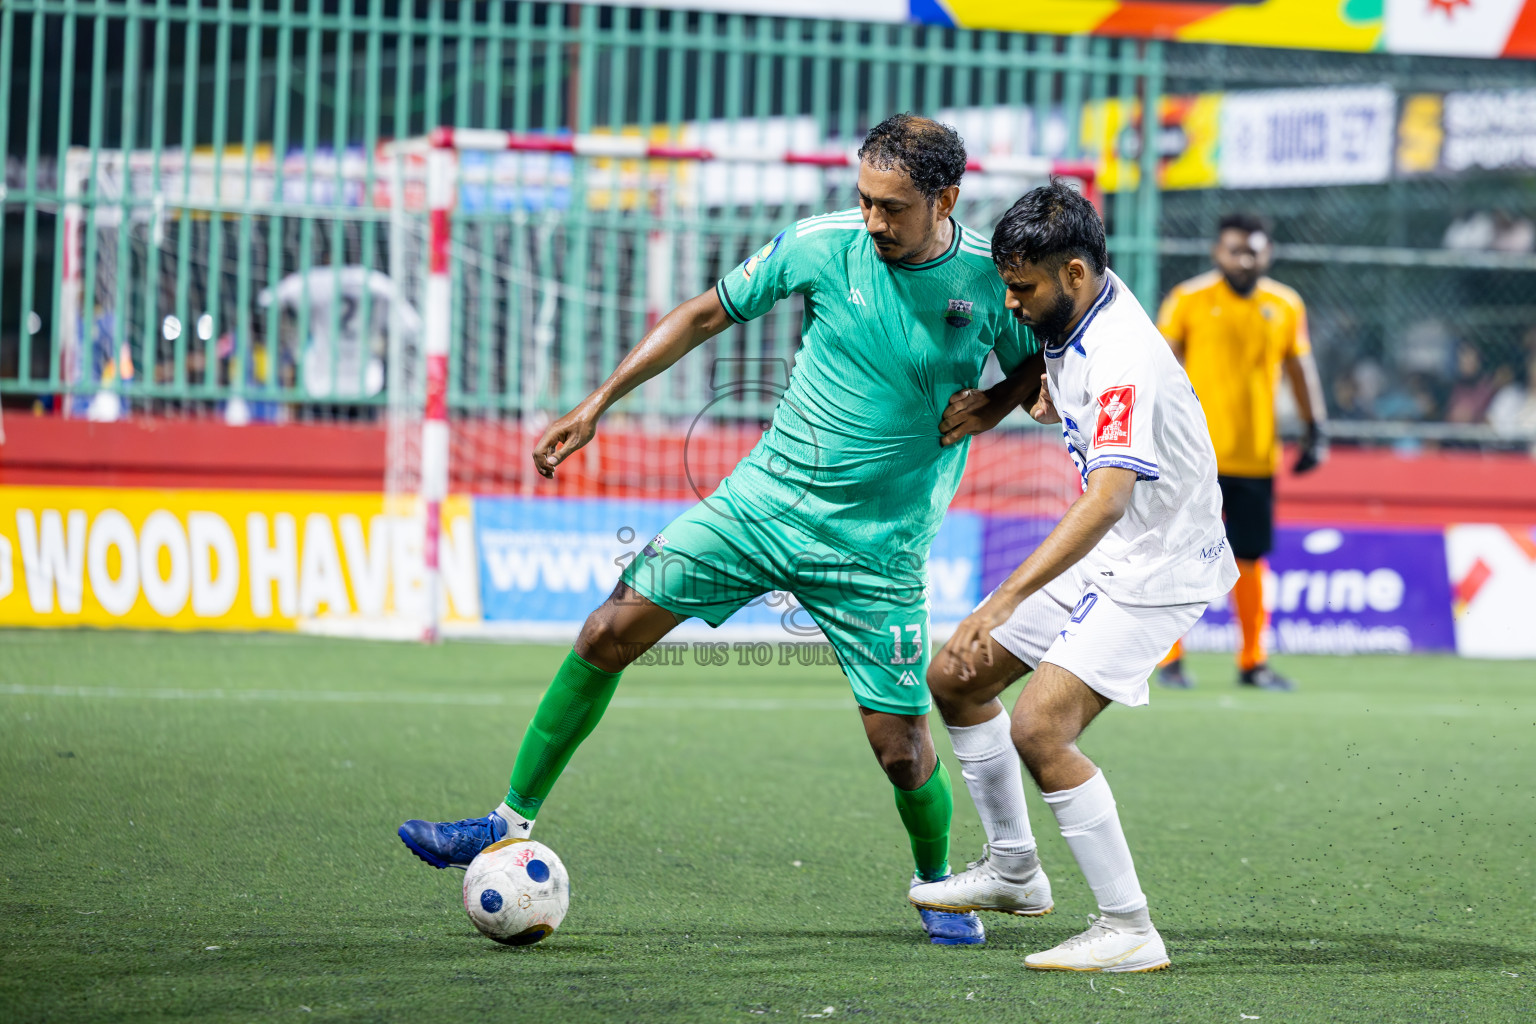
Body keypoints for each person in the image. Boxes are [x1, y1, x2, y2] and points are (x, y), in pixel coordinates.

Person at [397, 114, 1043, 946]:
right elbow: (704, 315)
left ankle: (939, 884)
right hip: (760, 505)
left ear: (945, 199)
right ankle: (506, 821)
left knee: (903, 751)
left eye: (892, 207)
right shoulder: (820, 244)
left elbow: (1044, 365)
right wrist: (597, 404)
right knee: (607, 631)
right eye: (864, 200)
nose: (873, 221)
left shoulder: (989, 279)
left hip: (877, 550)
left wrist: (995, 401)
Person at [907, 180, 1238, 973]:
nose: (1010, 303)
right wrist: (1008, 396)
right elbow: (1055, 363)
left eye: (1022, 288)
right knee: (957, 677)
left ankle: (1129, 928)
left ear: (1076, 274)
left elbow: (1108, 499)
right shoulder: (1075, 307)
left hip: (1160, 562)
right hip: (1117, 546)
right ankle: (1014, 870)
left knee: (1040, 729)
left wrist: (1005, 598)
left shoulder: (1122, 355)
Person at [1153, 213, 1327, 692]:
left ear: (1267, 253)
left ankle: (1253, 661)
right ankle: (1169, 658)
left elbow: (1301, 368)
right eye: (1235, 250)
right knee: (1178, 554)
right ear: (1218, 252)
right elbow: (1161, 367)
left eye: (1253, 251)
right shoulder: (1188, 299)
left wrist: (1316, 429)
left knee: (1250, 557)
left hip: (1255, 457)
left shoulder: (1285, 304)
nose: (1244, 259)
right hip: (1192, 455)